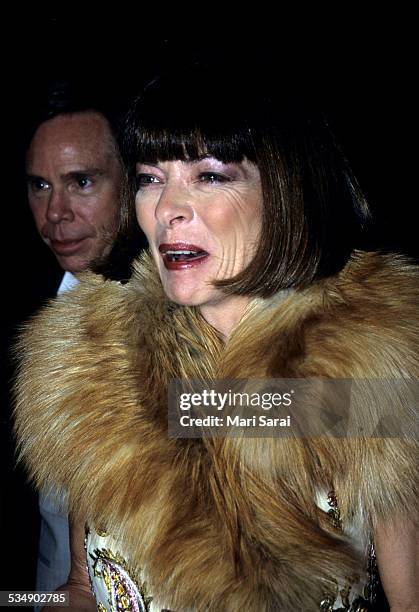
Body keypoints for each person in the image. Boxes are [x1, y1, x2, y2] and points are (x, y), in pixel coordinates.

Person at [14, 66, 418, 611]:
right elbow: (82, 591)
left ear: (286, 189)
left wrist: (141, 405)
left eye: (209, 176)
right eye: (150, 178)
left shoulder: (375, 358)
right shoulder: (94, 354)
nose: (165, 209)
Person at [23, 81, 126, 596]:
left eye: (81, 181)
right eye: (39, 186)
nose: (55, 213)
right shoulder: (30, 318)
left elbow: (381, 409)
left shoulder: (198, 301)